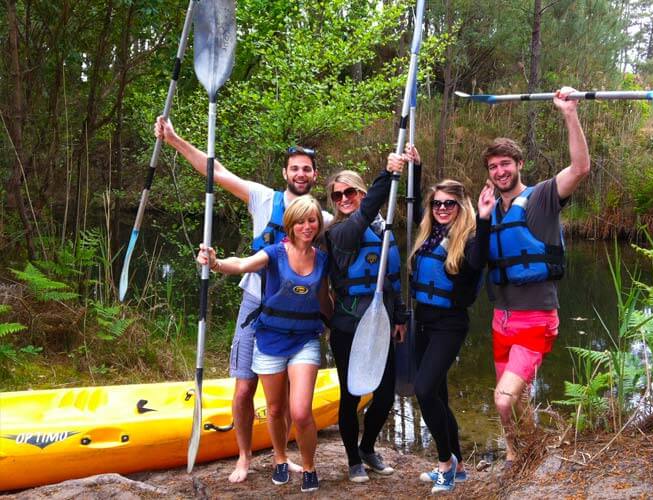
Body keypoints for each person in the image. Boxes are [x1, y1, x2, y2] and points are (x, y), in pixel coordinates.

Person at [154, 116, 332, 483]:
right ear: (285, 172)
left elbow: (358, 224)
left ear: (315, 176)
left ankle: (284, 458)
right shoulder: (263, 198)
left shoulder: (322, 218)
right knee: (244, 389)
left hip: (298, 320)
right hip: (256, 306)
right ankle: (244, 456)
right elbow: (215, 171)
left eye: (307, 169)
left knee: (283, 400)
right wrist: (174, 141)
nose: (301, 174)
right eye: (295, 168)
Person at [484, 87, 590, 467]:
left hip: (536, 318)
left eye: (505, 164)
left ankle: (521, 455)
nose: (500, 171)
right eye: (494, 167)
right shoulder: (490, 209)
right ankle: (524, 454)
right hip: (502, 319)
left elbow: (580, 168)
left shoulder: (544, 196)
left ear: (519, 164)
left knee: (503, 397)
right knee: (518, 398)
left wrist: (569, 114)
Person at [197, 195, 332, 493]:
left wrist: (337, 327)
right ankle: (280, 459)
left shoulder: (322, 259)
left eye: (312, 221)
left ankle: (309, 466)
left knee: (300, 411)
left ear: (318, 224)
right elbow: (242, 264)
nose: (307, 226)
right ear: (291, 225)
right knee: (273, 409)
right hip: (269, 339)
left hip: (305, 340)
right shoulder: (274, 253)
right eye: (300, 221)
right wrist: (216, 263)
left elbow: (324, 300)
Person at [323, 146, 418, 483]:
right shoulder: (338, 234)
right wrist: (388, 172)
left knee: (385, 393)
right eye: (338, 195)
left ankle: (367, 447)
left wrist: (402, 318)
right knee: (351, 395)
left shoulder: (386, 227)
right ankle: (352, 460)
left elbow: (393, 280)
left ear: (361, 192)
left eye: (351, 191)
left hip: (382, 322)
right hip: (349, 325)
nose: (345, 198)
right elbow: (363, 214)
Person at [410, 179, 495, 493]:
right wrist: (415, 168)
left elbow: (477, 261)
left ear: (461, 206)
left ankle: (445, 464)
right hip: (423, 320)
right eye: (437, 204)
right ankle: (457, 464)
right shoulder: (428, 234)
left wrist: (485, 218)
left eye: (449, 203)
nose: (442, 208)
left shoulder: (470, 238)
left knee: (423, 388)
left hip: (450, 322)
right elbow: (414, 197)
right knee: (438, 396)